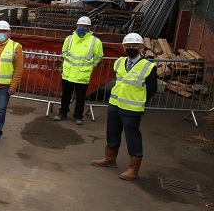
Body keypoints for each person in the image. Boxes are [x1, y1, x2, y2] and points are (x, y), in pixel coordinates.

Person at [91, 33, 157, 180]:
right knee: (112, 132)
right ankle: (110, 158)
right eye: (128, 46)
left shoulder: (148, 67)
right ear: (124, 47)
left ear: (141, 48)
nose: (131, 48)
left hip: (132, 109)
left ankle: (133, 168)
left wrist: (139, 101)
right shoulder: (119, 62)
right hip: (115, 105)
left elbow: (152, 89)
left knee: (132, 137)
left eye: (134, 46)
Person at [56, 16, 104, 125]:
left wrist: (90, 66)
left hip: (82, 75)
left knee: (81, 98)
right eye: (79, 26)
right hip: (68, 73)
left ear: (89, 28)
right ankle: (63, 113)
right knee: (65, 96)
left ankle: (78, 116)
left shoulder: (95, 41)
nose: (81, 28)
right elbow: (64, 52)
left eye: (83, 26)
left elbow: (98, 56)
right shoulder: (69, 39)